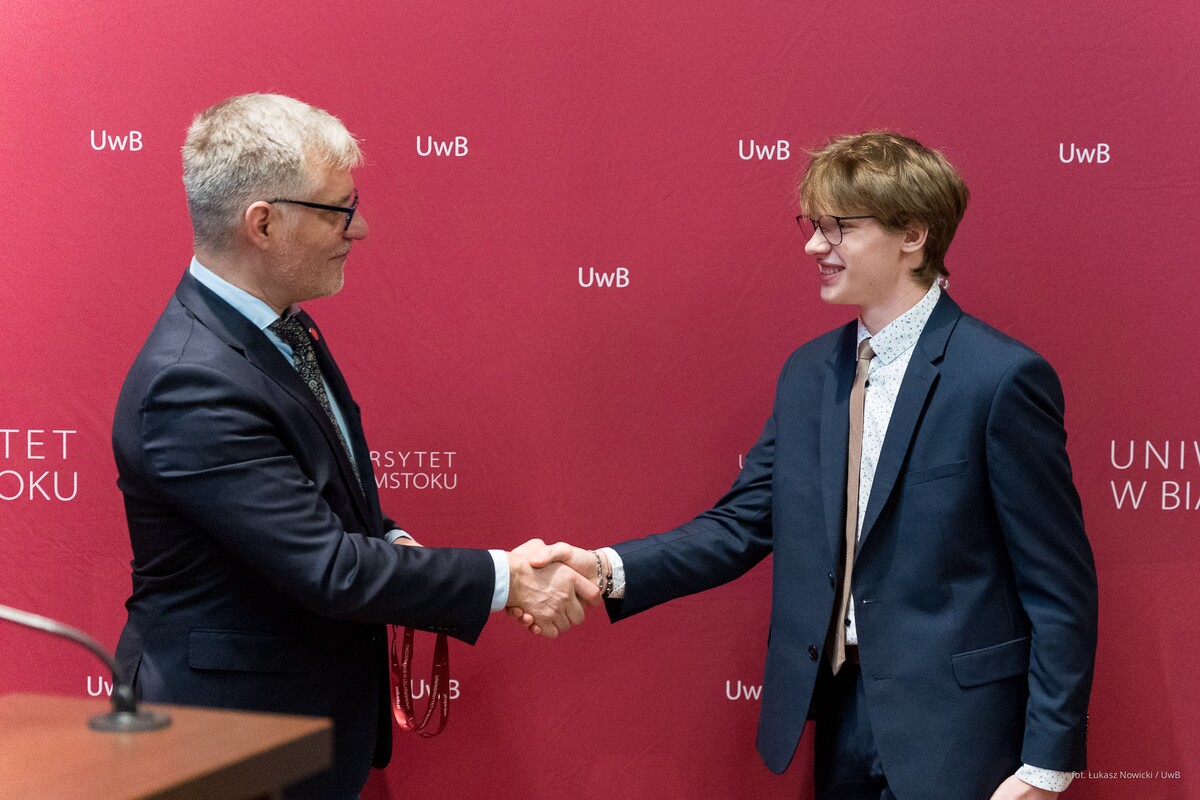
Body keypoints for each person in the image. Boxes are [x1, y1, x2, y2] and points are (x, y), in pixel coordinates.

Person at [517, 132, 1098, 800]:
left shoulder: (1000, 378)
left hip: (960, 733)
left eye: (839, 228)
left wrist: (1044, 769)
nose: (814, 247)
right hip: (836, 716)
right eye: (814, 225)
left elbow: (1059, 587)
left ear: (913, 235)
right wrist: (602, 568)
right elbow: (739, 525)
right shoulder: (808, 373)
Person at [112, 93, 597, 800]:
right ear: (263, 224)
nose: (359, 228)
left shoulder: (284, 327)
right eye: (337, 210)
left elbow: (316, 504)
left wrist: (392, 543)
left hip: (293, 732)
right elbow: (329, 569)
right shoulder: (190, 381)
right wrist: (507, 579)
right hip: (224, 743)